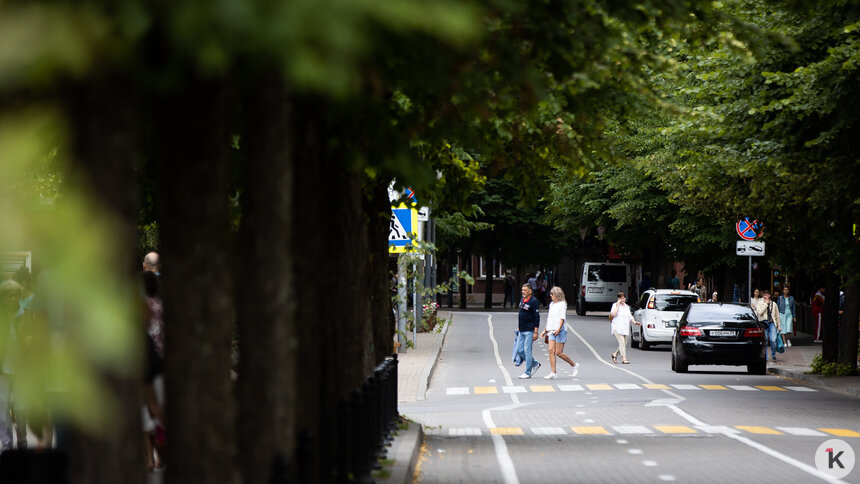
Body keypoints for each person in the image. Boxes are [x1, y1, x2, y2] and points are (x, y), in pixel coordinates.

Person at [0, 280, 23, 452]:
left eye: (16, 295)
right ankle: (7, 443)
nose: (13, 298)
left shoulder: (25, 315)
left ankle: (22, 441)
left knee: (22, 408)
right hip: (3, 370)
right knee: (2, 406)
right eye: (9, 295)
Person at [539, 287, 578, 379]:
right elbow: (550, 319)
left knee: (558, 352)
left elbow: (562, 318)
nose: (550, 296)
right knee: (550, 351)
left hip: (561, 330)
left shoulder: (562, 304)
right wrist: (545, 330)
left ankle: (574, 365)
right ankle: (553, 372)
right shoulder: (551, 304)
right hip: (551, 330)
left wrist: (558, 328)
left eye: (551, 294)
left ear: (556, 295)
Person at [515, 284, 541, 379]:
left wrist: (536, 332)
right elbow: (521, 314)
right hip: (521, 330)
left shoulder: (533, 301)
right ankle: (534, 363)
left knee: (527, 351)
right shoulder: (522, 299)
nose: (523, 291)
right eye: (522, 290)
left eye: (525, 290)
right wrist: (518, 327)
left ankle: (527, 372)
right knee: (519, 350)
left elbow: (537, 317)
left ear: (530, 291)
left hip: (529, 330)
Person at [608, 292, 640, 364]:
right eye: (621, 298)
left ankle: (615, 354)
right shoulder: (615, 305)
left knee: (624, 344)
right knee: (622, 342)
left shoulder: (627, 307)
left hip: (625, 327)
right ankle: (624, 358)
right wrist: (618, 305)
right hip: (617, 327)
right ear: (618, 299)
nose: (622, 299)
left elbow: (629, 316)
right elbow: (613, 314)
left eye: (623, 298)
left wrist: (634, 322)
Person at [755, 290, 781, 362]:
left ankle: (773, 355)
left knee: (773, 340)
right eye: (763, 295)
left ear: (769, 295)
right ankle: (765, 357)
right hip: (763, 324)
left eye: (766, 295)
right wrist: (766, 304)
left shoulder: (774, 304)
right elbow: (759, 312)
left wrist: (779, 327)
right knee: (765, 341)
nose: (764, 296)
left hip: (772, 323)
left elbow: (777, 316)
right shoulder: (760, 303)